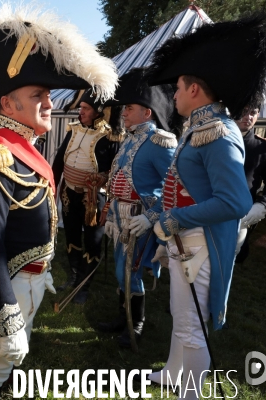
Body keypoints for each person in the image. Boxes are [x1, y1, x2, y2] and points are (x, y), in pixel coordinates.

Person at [0, 4, 118, 398]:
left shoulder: (23, 149)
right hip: (5, 291)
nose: (49, 102)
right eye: (38, 94)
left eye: (47, 93)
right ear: (7, 105)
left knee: (5, 374)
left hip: (30, 282)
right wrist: (7, 316)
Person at [145, 14, 266, 398]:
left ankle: (190, 394)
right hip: (187, 239)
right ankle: (171, 371)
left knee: (190, 327)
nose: (174, 95)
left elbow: (235, 201)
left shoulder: (217, 132)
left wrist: (176, 217)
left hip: (199, 243)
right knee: (181, 319)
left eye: (179, 88)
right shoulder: (201, 127)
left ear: (195, 89)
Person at [96, 67, 179, 348]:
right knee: (121, 271)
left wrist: (151, 218)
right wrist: (109, 214)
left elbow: (173, 190)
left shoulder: (161, 142)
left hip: (140, 219)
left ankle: (137, 323)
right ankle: (124, 317)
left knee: (130, 271)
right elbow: (115, 179)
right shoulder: (128, 138)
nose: (123, 113)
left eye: (129, 108)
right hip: (120, 216)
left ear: (148, 112)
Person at [51, 89, 123, 303]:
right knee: (71, 235)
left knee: (93, 241)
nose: (80, 112)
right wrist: (52, 187)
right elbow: (59, 161)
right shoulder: (73, 130)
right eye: (80, 107)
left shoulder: (111, 135)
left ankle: (84, 284)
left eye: (85, 108)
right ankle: (74, 275)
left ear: (98, 111)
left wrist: (105, 193)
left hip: (94, 199)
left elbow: (117, 171)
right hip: (69, 192)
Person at [234, 107, 266, 263]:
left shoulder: (262, 148)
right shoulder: (213, 141)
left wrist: (263, 206)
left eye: (253, 113)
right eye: (243, 111)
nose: (248, 117)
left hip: (242, 218)